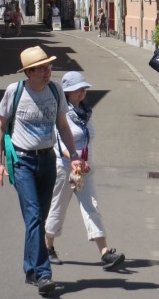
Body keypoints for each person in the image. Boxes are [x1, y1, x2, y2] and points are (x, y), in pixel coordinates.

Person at [0, 46, 84, 296]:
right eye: (41, 68)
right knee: (33, 216)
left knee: (39, 219)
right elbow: (0, 127)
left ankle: (31, 269)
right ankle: (44, 274)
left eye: (48, 66)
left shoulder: (55, 91)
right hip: (23, 162)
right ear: (29, 72)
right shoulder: (15, 92)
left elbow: (63, 126)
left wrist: (74, 155)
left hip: (48, 161)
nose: (47, 71)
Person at [45, 71, 126, 271]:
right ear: (67, 92)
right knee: (58, 208)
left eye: (84, 88)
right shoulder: (60, 112)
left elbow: (89, 137)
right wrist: (74, 159)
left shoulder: (85, 112)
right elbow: (57, 143)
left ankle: (105, 253)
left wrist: (83, 161)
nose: (83, 92)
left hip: (84, 168)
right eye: (78, 89)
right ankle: (48, 247)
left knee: (91, 206)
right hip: (66, 168)